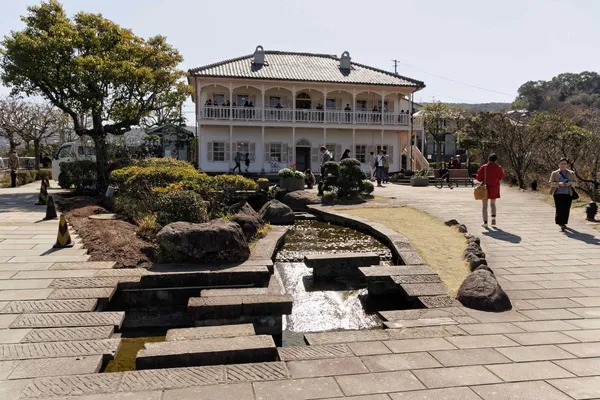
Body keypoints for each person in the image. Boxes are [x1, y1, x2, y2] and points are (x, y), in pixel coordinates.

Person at [476, 153, 505, 228]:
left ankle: (485, 222)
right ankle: (493, 218)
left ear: (488, 158)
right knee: (493, 204)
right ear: (496, 159)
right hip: (494, 188)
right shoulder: (499, 167)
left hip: (485, 188)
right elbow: (501, 176)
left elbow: (479, 178)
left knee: (484, 206)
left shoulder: (484, 167)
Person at [549, 158, 577, 232]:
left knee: (566, 209)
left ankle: (564, 222)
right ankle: (560, 223)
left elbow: (576, 183)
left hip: (568, 193)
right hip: (558, 193)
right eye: (561, 163)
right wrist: (558, 184)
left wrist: (569, 184)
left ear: (567, 165)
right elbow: (550, 183)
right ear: (559, 164)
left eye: (564, 163)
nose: (563, 165)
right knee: (559, 208)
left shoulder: (572, 173)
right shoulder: (554, 173)